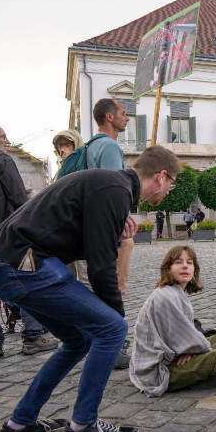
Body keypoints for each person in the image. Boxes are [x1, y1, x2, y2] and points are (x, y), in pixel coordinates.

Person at [0, 145, 181, 432]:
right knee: (112, 328)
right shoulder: (114, 190)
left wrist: (115, 235)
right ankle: (83, 424)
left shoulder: (111, 186)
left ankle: (19, 422)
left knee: (79, 340)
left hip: (2, 261)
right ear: (161, 176)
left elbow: (80, 242)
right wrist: (116, 317)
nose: (170, 190)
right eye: (172, 183)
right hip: (21, 264)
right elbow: (101, 266)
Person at [0, 122, 58, 358]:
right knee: (25, 283)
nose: (6, 141)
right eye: (3, 137)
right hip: (7, 236)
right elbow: (18, 199)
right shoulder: (1, 160)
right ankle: (32, 337)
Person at [129, 245, 216, 397]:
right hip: (160, 370)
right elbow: (188, 340)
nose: (184, 266)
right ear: (168, 268)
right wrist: (191, 349)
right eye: (178, 262)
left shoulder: (176, 292)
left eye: (189, 263)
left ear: (194, 270)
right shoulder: (166, 296)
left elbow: (185, 338)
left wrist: (190, 349)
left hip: (173, 355)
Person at [86, 98, 135, 311]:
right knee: (115, 286)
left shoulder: (92, 145)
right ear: (109, 117)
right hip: (112, 228)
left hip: (96, 224)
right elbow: (115, 191)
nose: (126, 118)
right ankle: (112, 329)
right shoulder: (109, 147)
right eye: (123, 113)